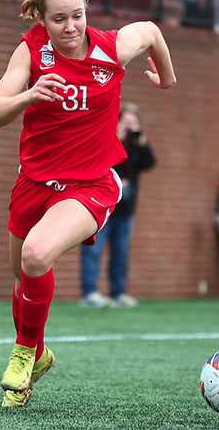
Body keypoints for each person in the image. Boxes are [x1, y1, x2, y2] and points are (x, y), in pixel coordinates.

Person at [0, 0, 176, 408]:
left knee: (35, 253)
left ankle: (23, 353)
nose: (70, 28)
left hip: (90, 184)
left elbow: (149, 30)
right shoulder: (31, 51)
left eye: (78, 16)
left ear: (87, 10)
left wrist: (166, 77)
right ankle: (41, 354)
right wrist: (30, 94)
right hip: (33, 181)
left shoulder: (111, 48)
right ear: (41, 18)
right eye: (58, 19)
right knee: (22, 273)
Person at [79, 102, 156, 308]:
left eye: (134, 122)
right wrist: (116, 137)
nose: (130, 126)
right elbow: (97, 161)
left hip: (125, 210)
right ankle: (90, 292)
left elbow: (150, 164)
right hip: (102, 207)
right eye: (126, 121)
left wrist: (143, 143)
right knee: (93, 249)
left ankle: (118, 292)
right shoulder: (107, 139)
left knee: (121, 251)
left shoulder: (136, 146)